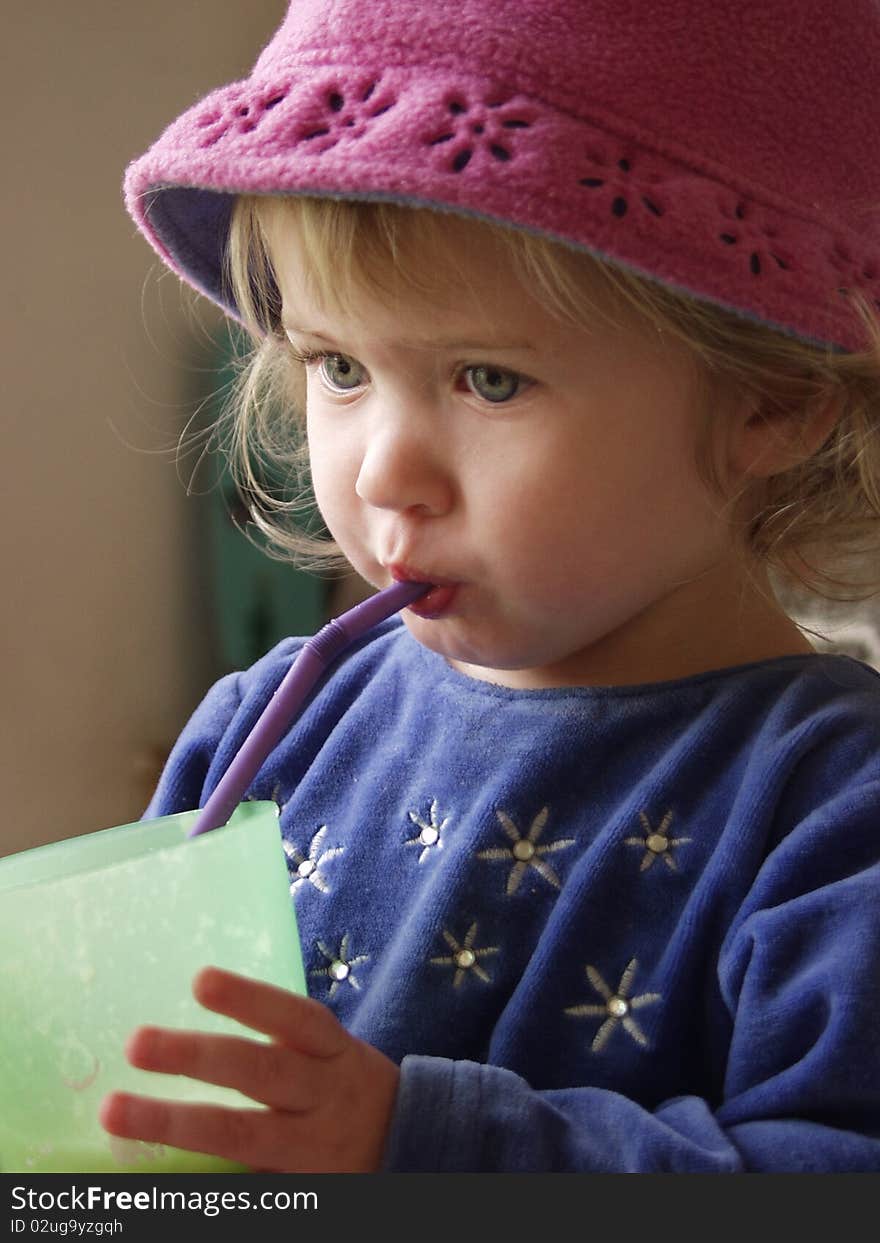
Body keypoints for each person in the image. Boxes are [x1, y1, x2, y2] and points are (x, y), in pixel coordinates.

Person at [101, 0, 880, 1171]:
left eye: (489, 380)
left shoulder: (831, 816)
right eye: (340, 367)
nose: (383, 474)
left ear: (772, 399)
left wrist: (419, 1143)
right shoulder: (261, 732)